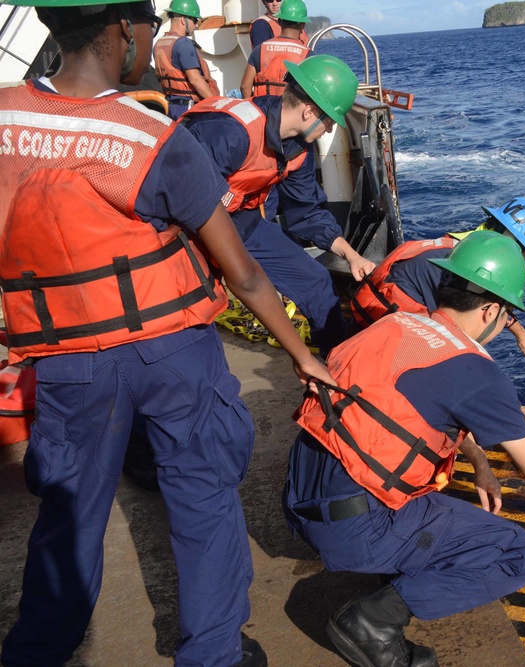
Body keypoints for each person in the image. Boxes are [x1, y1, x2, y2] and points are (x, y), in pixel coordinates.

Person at [0, 1, 335, 665]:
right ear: (125, 29)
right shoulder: (150, 137)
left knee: (68, 514)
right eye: (148, 29)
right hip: (170, 351)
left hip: (67, 358)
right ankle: (213, 653)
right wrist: (302, 354)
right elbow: (241, 273)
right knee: (204, 497)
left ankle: (35, 652)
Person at [284, 232, 525, 666]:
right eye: (505, 315)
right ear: (490, 310)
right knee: (518, 552)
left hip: (300, 499)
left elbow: (406, 413)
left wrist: (480, 462)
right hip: (351, 529)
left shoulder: (395, 324)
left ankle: (387, 567)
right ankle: (372, 622)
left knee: (425, 490)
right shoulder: (472, 367)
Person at [182, 54, 375, 356]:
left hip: (240, 220)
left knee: (317, 282)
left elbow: (306, 213)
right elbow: (177, 195)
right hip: (187, 228)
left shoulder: (299, 150)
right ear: (310, 111)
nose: (328, 131)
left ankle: (336, 366)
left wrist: (352, 256)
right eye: (328, 122)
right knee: (195, 305)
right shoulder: (230, 132)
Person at [349, 196, 525, 355]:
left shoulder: (463, 248)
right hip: (378, 333)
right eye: (523, 254)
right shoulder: (461, 266)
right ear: (511, 244)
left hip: (373, 313)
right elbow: (466, 323)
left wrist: (519, 332)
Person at [152, 0, 220, 119]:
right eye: (194, 20)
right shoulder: (183, 44)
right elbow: (195, 80)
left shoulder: (160, 43)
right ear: (184, 19)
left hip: (171, 107)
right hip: (188, 109)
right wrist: (216, 104)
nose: (197, 25)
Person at [239, 0, 310, 101]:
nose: (275, 3)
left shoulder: (260, 50)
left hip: (263, 105)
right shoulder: (307, 53)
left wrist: (251, 108)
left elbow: (245, 86)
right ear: (303, 25)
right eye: (270, 0)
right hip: (291, 107)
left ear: (280, 21)